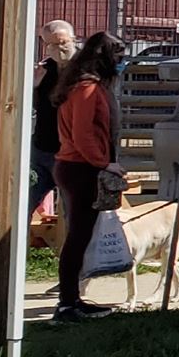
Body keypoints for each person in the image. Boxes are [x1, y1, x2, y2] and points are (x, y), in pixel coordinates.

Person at [51, 32, 124, 322]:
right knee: (78, 237)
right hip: (80, 168)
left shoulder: (87, 85)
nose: (120, 62)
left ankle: (72, 299)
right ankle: (68, 303)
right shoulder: (86, 88)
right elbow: (82, 133)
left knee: (81, 235)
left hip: (80, 166)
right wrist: (103, 163)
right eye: (117, 56)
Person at [27, 20, 76, 228]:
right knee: (24, 201)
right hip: (42, 147)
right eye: (50, 45)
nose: (58, 49)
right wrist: (35, 87)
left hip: (69, 150)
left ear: (73, 39)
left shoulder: (85, 69)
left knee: (73, 209)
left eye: (62, 43)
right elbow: (35, 106)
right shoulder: (45, 69)